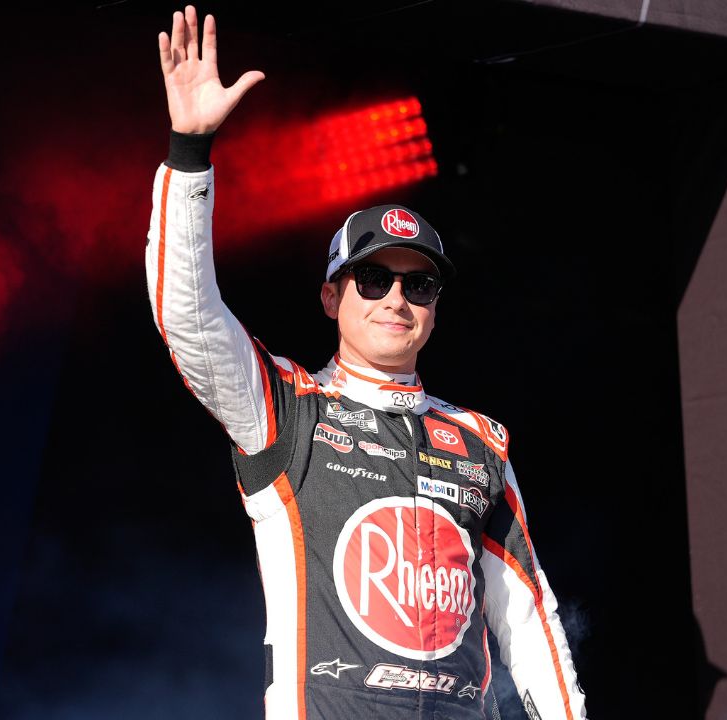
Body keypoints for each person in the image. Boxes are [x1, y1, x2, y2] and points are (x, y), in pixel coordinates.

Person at [146, 6, 586, 719]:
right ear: (331, 296)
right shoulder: (286, 410)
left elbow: (528, 618)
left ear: (437, 306)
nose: (396, 300)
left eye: (419, 285)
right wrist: (189, 152)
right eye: (374, 280)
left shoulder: (480, 443)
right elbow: (187, 316)